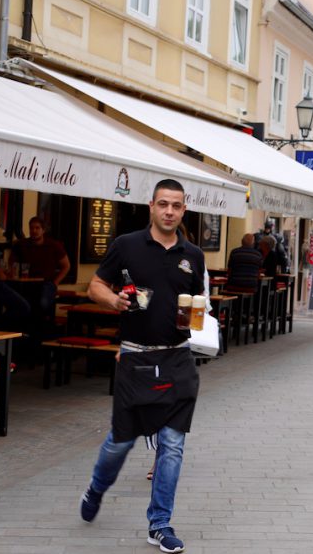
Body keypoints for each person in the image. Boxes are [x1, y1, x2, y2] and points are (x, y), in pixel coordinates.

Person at [79, 179, 205, 553]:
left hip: (177, 357)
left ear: (184, 210)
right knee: (120, 443)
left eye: (177, 206)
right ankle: (97, 487)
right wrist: (114, 301)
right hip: (135, 356)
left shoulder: (193, 255)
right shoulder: (127, 245)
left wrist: (196, 318)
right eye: (163, 204)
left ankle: (160, 524)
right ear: (151, 206)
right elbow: (95, 286)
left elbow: (195, 300)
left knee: (172, 444)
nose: (169, 211)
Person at [9, 216, 70, 318]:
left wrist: (55, 282)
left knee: (43, 303)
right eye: (32, 228)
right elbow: (11, 261)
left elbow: (66, 266)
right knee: (18, 303)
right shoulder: (22, 244)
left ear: (43, 230)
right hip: (26, 283)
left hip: (46, 282)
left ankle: (41, 330)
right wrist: (13, 272)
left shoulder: (53, 245)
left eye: (37, 228)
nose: (34, 231)